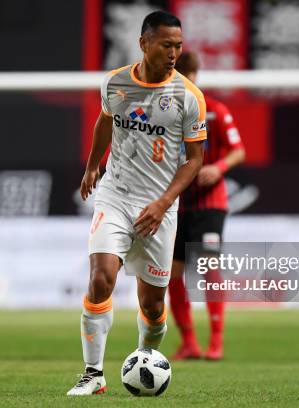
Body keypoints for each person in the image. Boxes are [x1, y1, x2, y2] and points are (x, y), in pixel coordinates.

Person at [66, 10, 206, 396]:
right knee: (100, 279)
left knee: (154, 307)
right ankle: (93, 375)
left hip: (159, 208)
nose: (174, 53)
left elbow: (195, 160)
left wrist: (163, 203)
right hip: (116, 195)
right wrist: (93, 166)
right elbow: (105, 121)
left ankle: (145, 359)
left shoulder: (188, 98)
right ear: (144, 44)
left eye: (178, 45)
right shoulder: (115, 83)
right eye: (166, 45)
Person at [168, 51, 245, 361]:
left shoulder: (214, 110)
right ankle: (189, 342)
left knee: (209, 268)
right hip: (175, 203)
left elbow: (239, 151)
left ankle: (216, 340)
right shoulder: (167, 112)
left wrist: (219, 168)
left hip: (210, 202)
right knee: (171, 274)